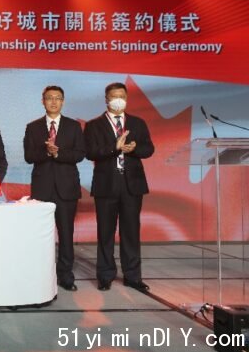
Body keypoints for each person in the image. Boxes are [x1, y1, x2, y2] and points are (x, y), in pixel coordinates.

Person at [84, 82, 154, 292]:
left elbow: (149, 148)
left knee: (131, 231)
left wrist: (134, 148)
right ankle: (105, 275)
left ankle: (133, 276)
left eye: (121, 96)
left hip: (132, 185)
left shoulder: (138, 123)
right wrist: (113, 149)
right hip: (106, 185)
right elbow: (90, 152)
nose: (118, 99)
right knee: (105, 232)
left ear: (126, 98)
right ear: (106, 99)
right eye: (114, 96)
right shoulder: (93, 125)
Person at [23, 86, 85, 291]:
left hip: (67, 188)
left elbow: (79, 154)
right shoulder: (33, 127)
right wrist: (47, 152)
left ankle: (65, 275)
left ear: (63, 101)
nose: (53, 102)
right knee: (41, 235)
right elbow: (29, 156)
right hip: (42, 189)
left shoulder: (73, 126)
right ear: (43, 101)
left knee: (66, 233)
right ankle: (41, 274)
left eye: (58, 98)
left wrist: (59, 154)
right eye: (49, 98)